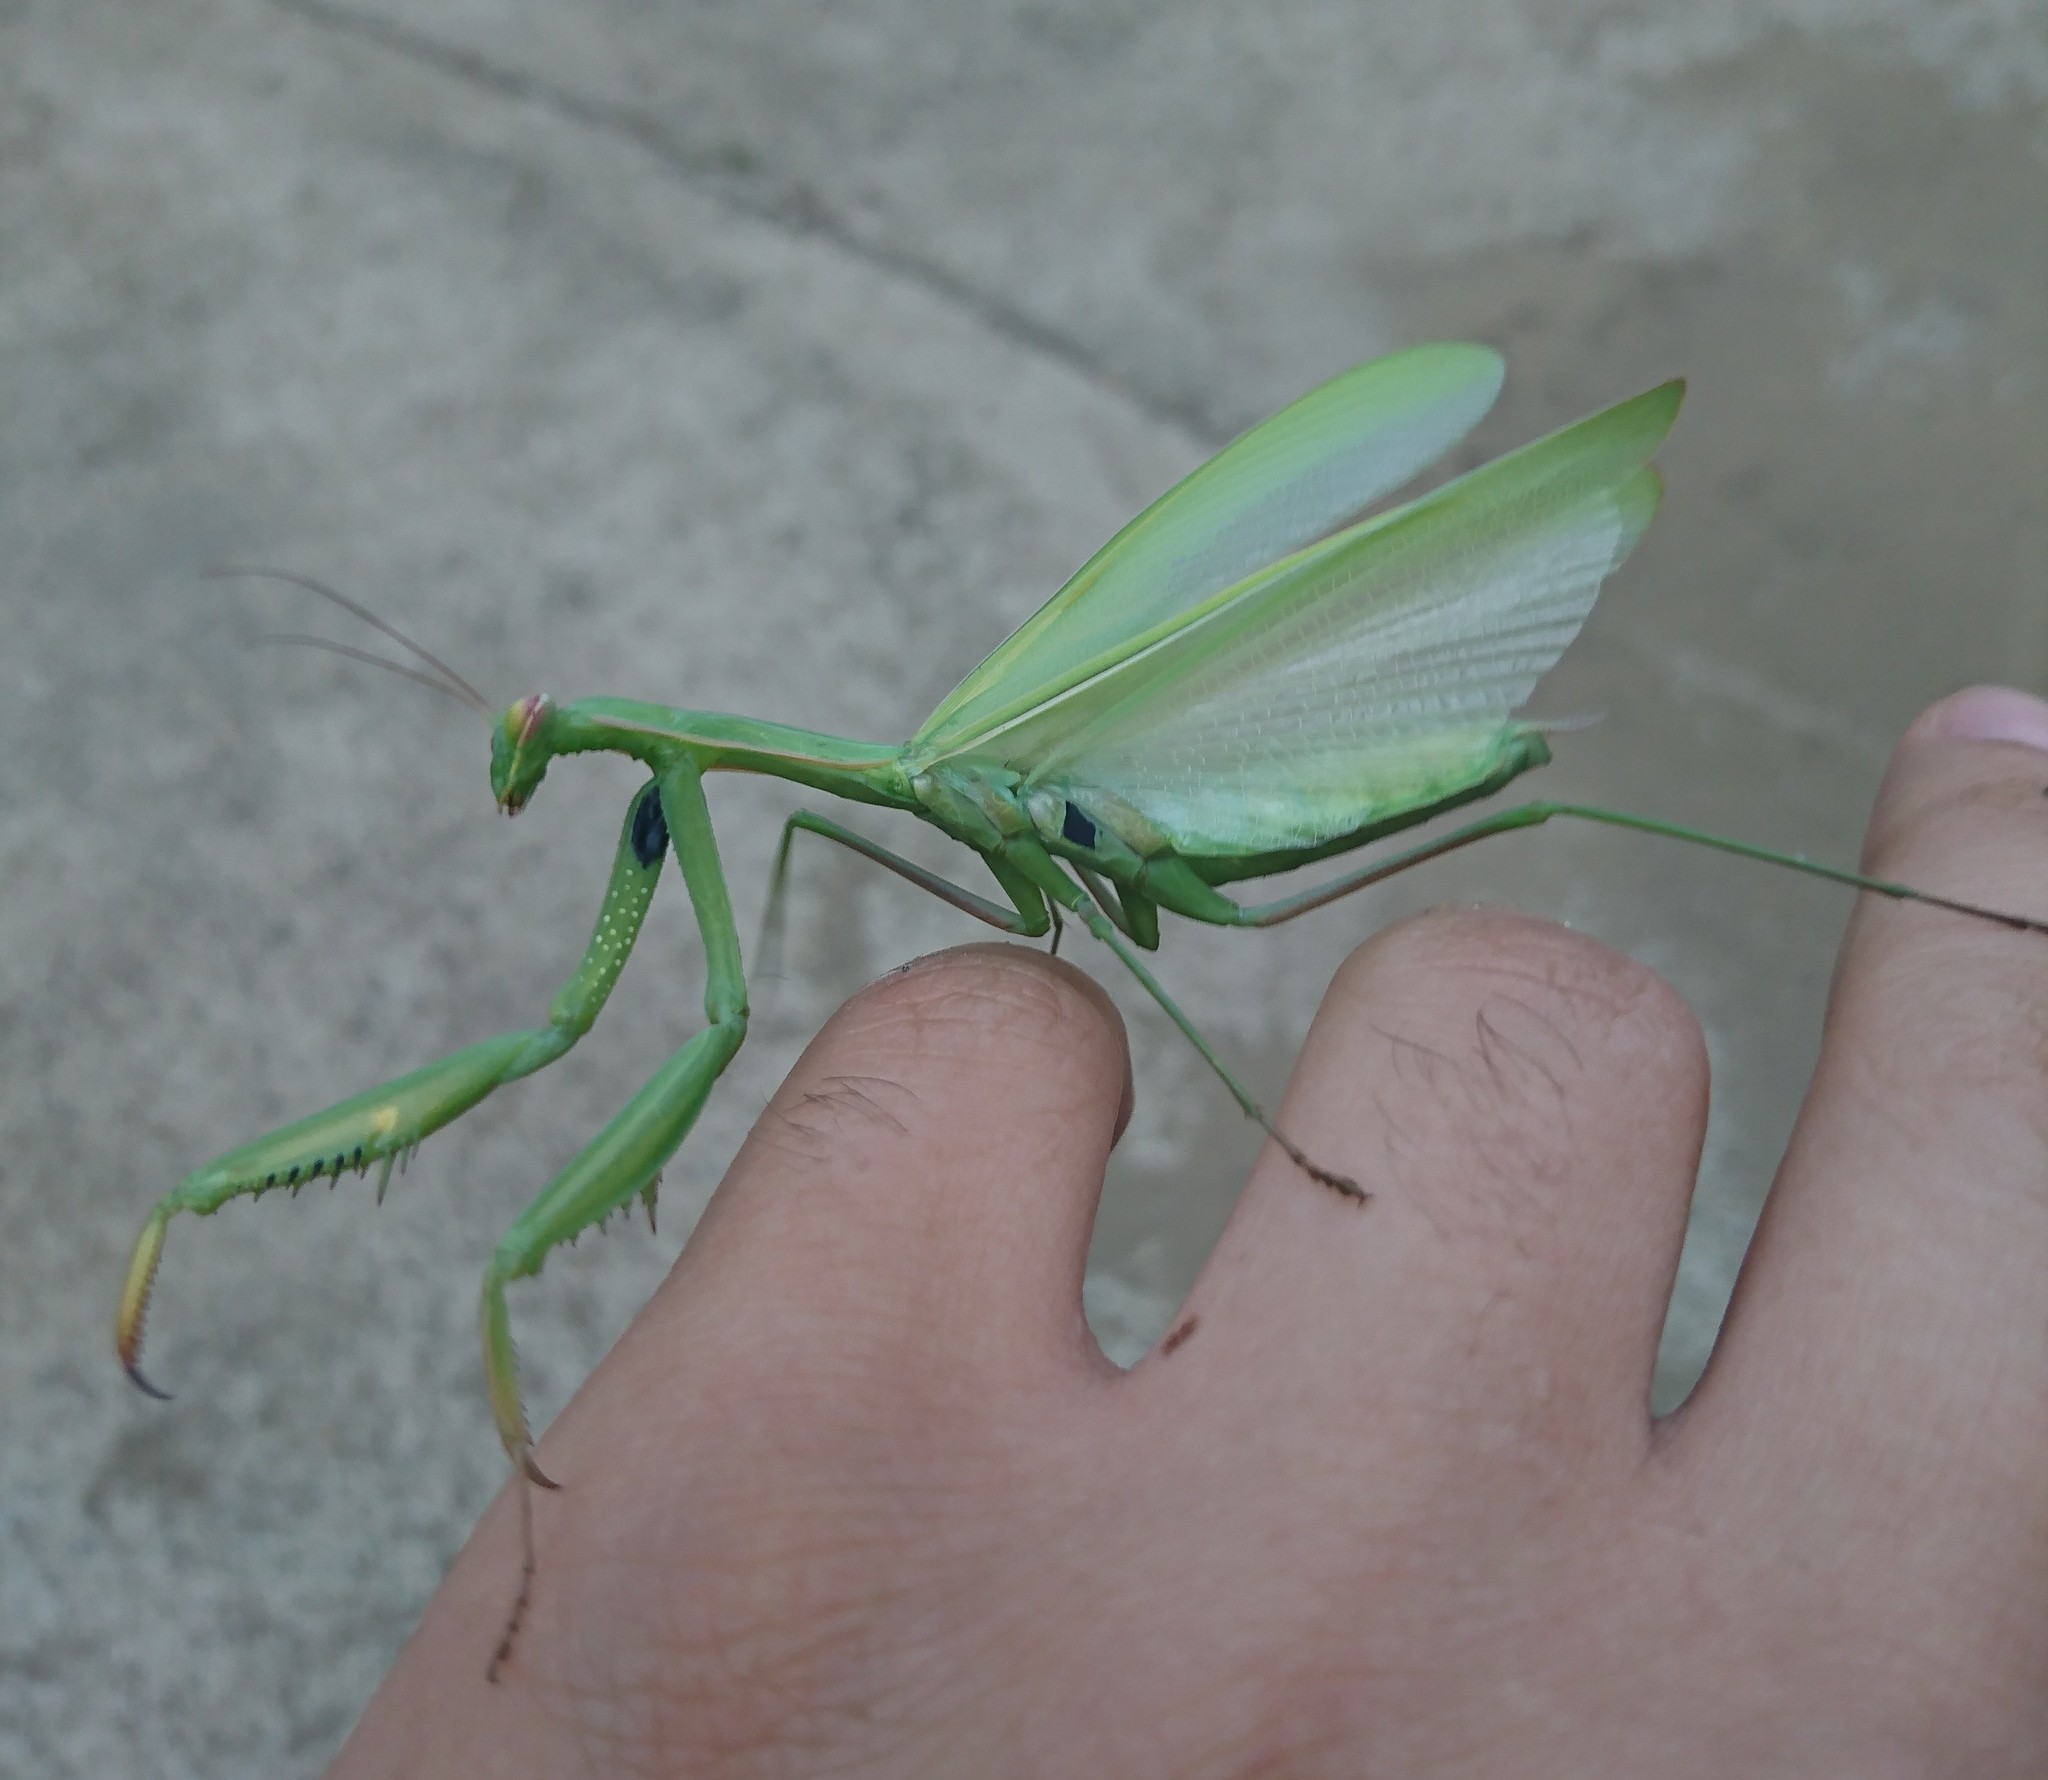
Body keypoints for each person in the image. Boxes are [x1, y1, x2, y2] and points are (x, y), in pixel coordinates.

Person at [330, 688, 2048, 1775]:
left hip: (1354, 787)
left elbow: (1107, 944)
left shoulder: (850, 775)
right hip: (1065, 817)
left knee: (1543, 807)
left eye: (539, 737)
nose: (527, 761)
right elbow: (757, 911)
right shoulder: (780, 793)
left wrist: (1263, 1126)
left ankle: (1930, 902)